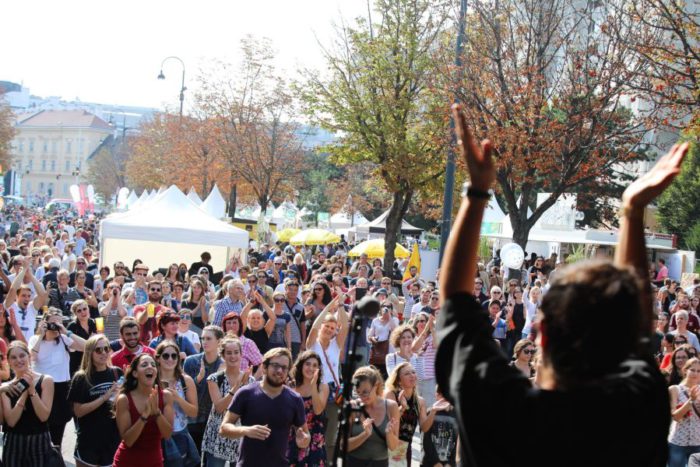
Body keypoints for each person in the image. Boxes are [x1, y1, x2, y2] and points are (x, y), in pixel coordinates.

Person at [436, 105, 678, 466]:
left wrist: (477, 192)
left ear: (541, 334)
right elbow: (636, 326)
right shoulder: (637, 410)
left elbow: (455, 299)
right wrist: (632, 211)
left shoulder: (499, 408)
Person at [219, 347, 311, 466]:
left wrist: (303, 440)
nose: (279, 370)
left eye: (284, 367)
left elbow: (305, 436)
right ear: (264, 367)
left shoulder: (295, 399)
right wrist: (246, 430)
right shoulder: (246, 393)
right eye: (275, 365)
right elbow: (223, 429)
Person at [29, 308, 86, 448]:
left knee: (58, 428)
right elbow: (32, 357)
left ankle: (56, 454)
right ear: (45, 322)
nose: (56, 325)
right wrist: (42, 334)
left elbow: (87, 347)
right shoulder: (35, 339)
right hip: (41, 387)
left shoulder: (64, 339)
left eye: (59, 322)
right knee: (41, 424)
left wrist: (67, 332)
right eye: (53, 322)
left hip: (61, 388)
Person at [68, 334, 123, 467]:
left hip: (112, 440)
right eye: (98, 350)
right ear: (90, 352)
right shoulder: (81, 377)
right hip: (88, 441)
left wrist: (121, 394)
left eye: (106, 348)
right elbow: (78, 411)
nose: (104, 353)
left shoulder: (117, 373)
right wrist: (104, 397)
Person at [306, 294, 349, 463]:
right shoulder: (312, 343)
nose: (330, 330)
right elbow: (315, 326)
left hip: (332, 393)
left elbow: (344, 326)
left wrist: (340, 306)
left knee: (330, 435)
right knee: (311, 430)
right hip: (312, 390)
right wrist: (329, 306)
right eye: (327, 326)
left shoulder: (336, 345)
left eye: (333, 328)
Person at [113, 353, 175, 467]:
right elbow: (128, 441)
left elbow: (167, 434)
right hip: (126, 462)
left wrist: (156, 413)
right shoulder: (124, 399)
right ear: (135, 373)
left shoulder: (166, 396)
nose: (150, 367)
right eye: (144, 364)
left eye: (153, 364)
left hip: (155, 462)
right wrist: (144, 416)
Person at [202, 336, 255, 466]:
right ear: (223, 355)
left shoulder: (251, 381)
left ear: (241, 354)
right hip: (217, 437)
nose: (233, 356)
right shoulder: (214, 379)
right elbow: (220, 408)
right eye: (229, 353)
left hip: (239, 437)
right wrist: (236, 387)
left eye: (236, 352)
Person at [0, 341, 55, 466]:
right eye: (13, 357)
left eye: (22, 355)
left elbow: (43, 416)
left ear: (29, 357)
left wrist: (31, 389)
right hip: (14, 443)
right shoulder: (5, 388)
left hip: (39, 441)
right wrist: (24, 393)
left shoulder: (46, 380)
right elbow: (11, 421)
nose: (18, 360)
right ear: (8, 361)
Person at [385, 362, 448, 466]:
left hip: (405, 447)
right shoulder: (391, 395)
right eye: (407, 374)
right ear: (399, 381)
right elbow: (390, 423)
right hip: (390, 444)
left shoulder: (420, 401)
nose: (412, 375)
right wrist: (402, 408)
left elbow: (424, 427)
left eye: (413, 372)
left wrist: (433, 411)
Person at [155, 340, 200, 467]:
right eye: (166, 355)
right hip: (157, 435)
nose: (170, 359)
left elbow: (194, 413)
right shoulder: (151, 380)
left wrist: (178, 399)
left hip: (180, 433)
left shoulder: (185, 380)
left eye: (174, 356)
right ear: (158, 359)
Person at [346, 366, 400, 467]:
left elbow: (393, 447)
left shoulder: (391, 406)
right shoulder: (353, 407)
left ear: (376, 385)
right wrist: (365, 435)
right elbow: (343, 445)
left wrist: (389, 433)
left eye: (365, 392)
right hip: (354, 463)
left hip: (380, 464)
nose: (362, 397)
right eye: (358, 393)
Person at [183, 325, 224, 452]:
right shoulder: (191, 361)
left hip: (214, 421)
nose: (204, 342)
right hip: (193, 420)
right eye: (202, 338)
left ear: (219, 341)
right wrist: (198, 379)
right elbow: (184, 391)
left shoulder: (225, 364)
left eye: (208, 338)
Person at [288, 350, 329, 467]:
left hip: (315, 436)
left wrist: (313, 386)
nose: (310, 368)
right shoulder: (292, 385)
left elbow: (318, 410)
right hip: (294, 434)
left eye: (315, 365)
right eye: (307, 364)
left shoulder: (322, 386)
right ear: (301, 365)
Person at [668, 358, 700, 466]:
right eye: (692, 369)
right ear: (685, 370)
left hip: (698, 442)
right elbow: (675, 417)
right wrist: (691, 400)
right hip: (678, 441)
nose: (696, 373)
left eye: (699, 371)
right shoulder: (674, 389)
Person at [420, 387, 459, 467]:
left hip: (448, 464)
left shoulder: (457, 416)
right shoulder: (430, 412)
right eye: (440, 393)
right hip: (429, 463)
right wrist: (435, 462)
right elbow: (426, 440)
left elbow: (457, 442)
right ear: (436, 395)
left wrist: (451, 463)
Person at [368, 301, 399, 378]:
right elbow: (369, 336)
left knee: (388, 377)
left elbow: (395, 331)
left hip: (390, 352)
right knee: (376, 377)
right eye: (384, 306)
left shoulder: (394, 320)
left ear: (391, 310)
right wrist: (373, 338)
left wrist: (389, 316)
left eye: (388, 307)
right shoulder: (375, 320)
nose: (386, 308)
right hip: (377, 353)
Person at [67, 299, 97, 375]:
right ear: (75, 314)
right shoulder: (72, 326)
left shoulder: (94, 323)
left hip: (92, 362)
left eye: (84, 309)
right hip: (77, 362)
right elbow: (72, 347)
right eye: (79, 311)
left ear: (88, 309)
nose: (83, 312)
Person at [135, 280, 171, 345]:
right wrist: (148, 308)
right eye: (153, 289)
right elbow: (140, 321)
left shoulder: (166, 310)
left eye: (158, 290)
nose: (155, 291)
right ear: (148, 291)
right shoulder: (139, 307)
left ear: (161, 293)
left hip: (160, 345)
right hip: (142, 346)